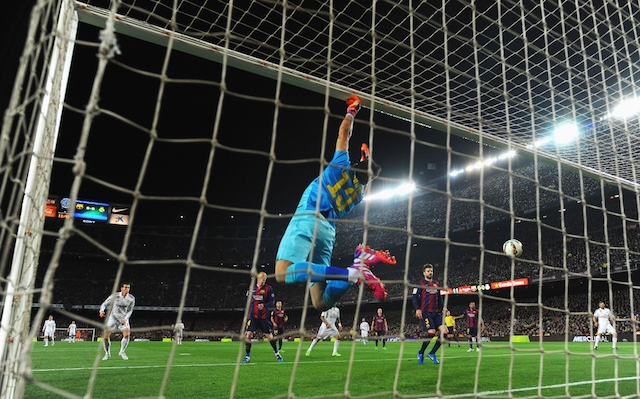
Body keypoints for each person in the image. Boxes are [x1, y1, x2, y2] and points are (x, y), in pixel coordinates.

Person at [274, 95, 395, 311]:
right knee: (320, 302)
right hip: (327, 233)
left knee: (282, 273)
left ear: (356, 163)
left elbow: (344, 133)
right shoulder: (358, 194)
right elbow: (366, 185)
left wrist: (352, 110)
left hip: (309, 217)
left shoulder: (341, 165)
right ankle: (354, 270)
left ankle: (352, 272)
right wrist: (367, 164)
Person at [241, 272, 283, 363]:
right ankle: (247, 357)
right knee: (248, 335)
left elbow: (272, 302)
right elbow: (248, 302)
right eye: (262, 278)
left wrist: (264, 305)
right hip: (252, 316)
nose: (264, 280)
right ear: (258, 278)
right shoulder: (252, 288)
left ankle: (276, 353)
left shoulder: (268, 288)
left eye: (265, 278)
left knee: (269, 336)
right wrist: (246, 315)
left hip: (263, 316)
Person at [413, 264, 447, 365]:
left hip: (436, 312)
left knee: (445, 332)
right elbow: (414, 297)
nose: (430, 272)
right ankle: (421, 352)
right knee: (431, 332)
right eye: (428, 271)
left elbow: (439, 297)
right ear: (424, 273)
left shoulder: (436, 283)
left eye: (431, 271)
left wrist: (443, 307)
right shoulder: (420, 284)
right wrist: (417, 309)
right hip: (426, 312)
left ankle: (432, 353)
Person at [99, 282, 135, 360]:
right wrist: (101, 311)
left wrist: (125, 319)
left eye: (128, 288)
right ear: (121, 288)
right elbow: (104, 304)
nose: (127, 289)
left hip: (123, 319)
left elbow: (130, 310)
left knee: (127, 335)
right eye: (125, 287)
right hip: (113, 318)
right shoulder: (115, 296)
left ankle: (122, 351)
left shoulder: (131, 298)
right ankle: (107, 353)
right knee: (105, 336)